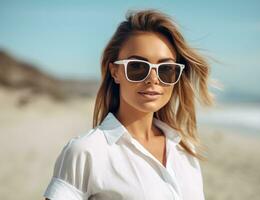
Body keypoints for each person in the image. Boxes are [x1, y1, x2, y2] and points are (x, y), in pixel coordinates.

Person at [43, 8, 214, 200]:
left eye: (166, 69)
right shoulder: (86, 151)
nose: (153, 79)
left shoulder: (184, 150)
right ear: (115, 72)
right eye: (137, 66)